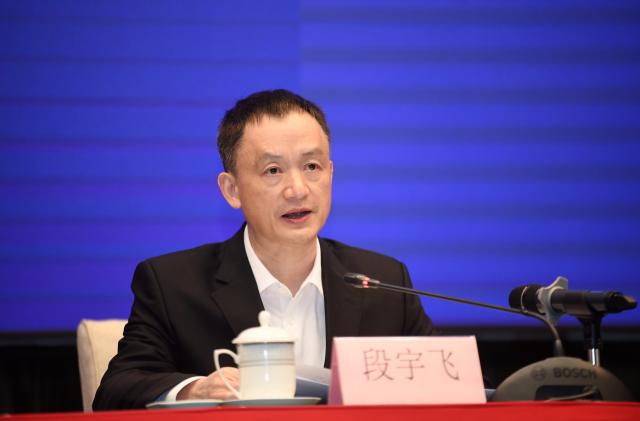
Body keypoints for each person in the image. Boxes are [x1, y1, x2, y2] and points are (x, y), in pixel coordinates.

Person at [93, 89, 433, 410]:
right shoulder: (173, 285)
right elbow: (116, 389)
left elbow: (449, 384)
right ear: (232, 189)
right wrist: (196, 390)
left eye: (311, 167)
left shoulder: (384, 283)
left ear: (330, 174)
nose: (297, 190)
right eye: (273, 170)